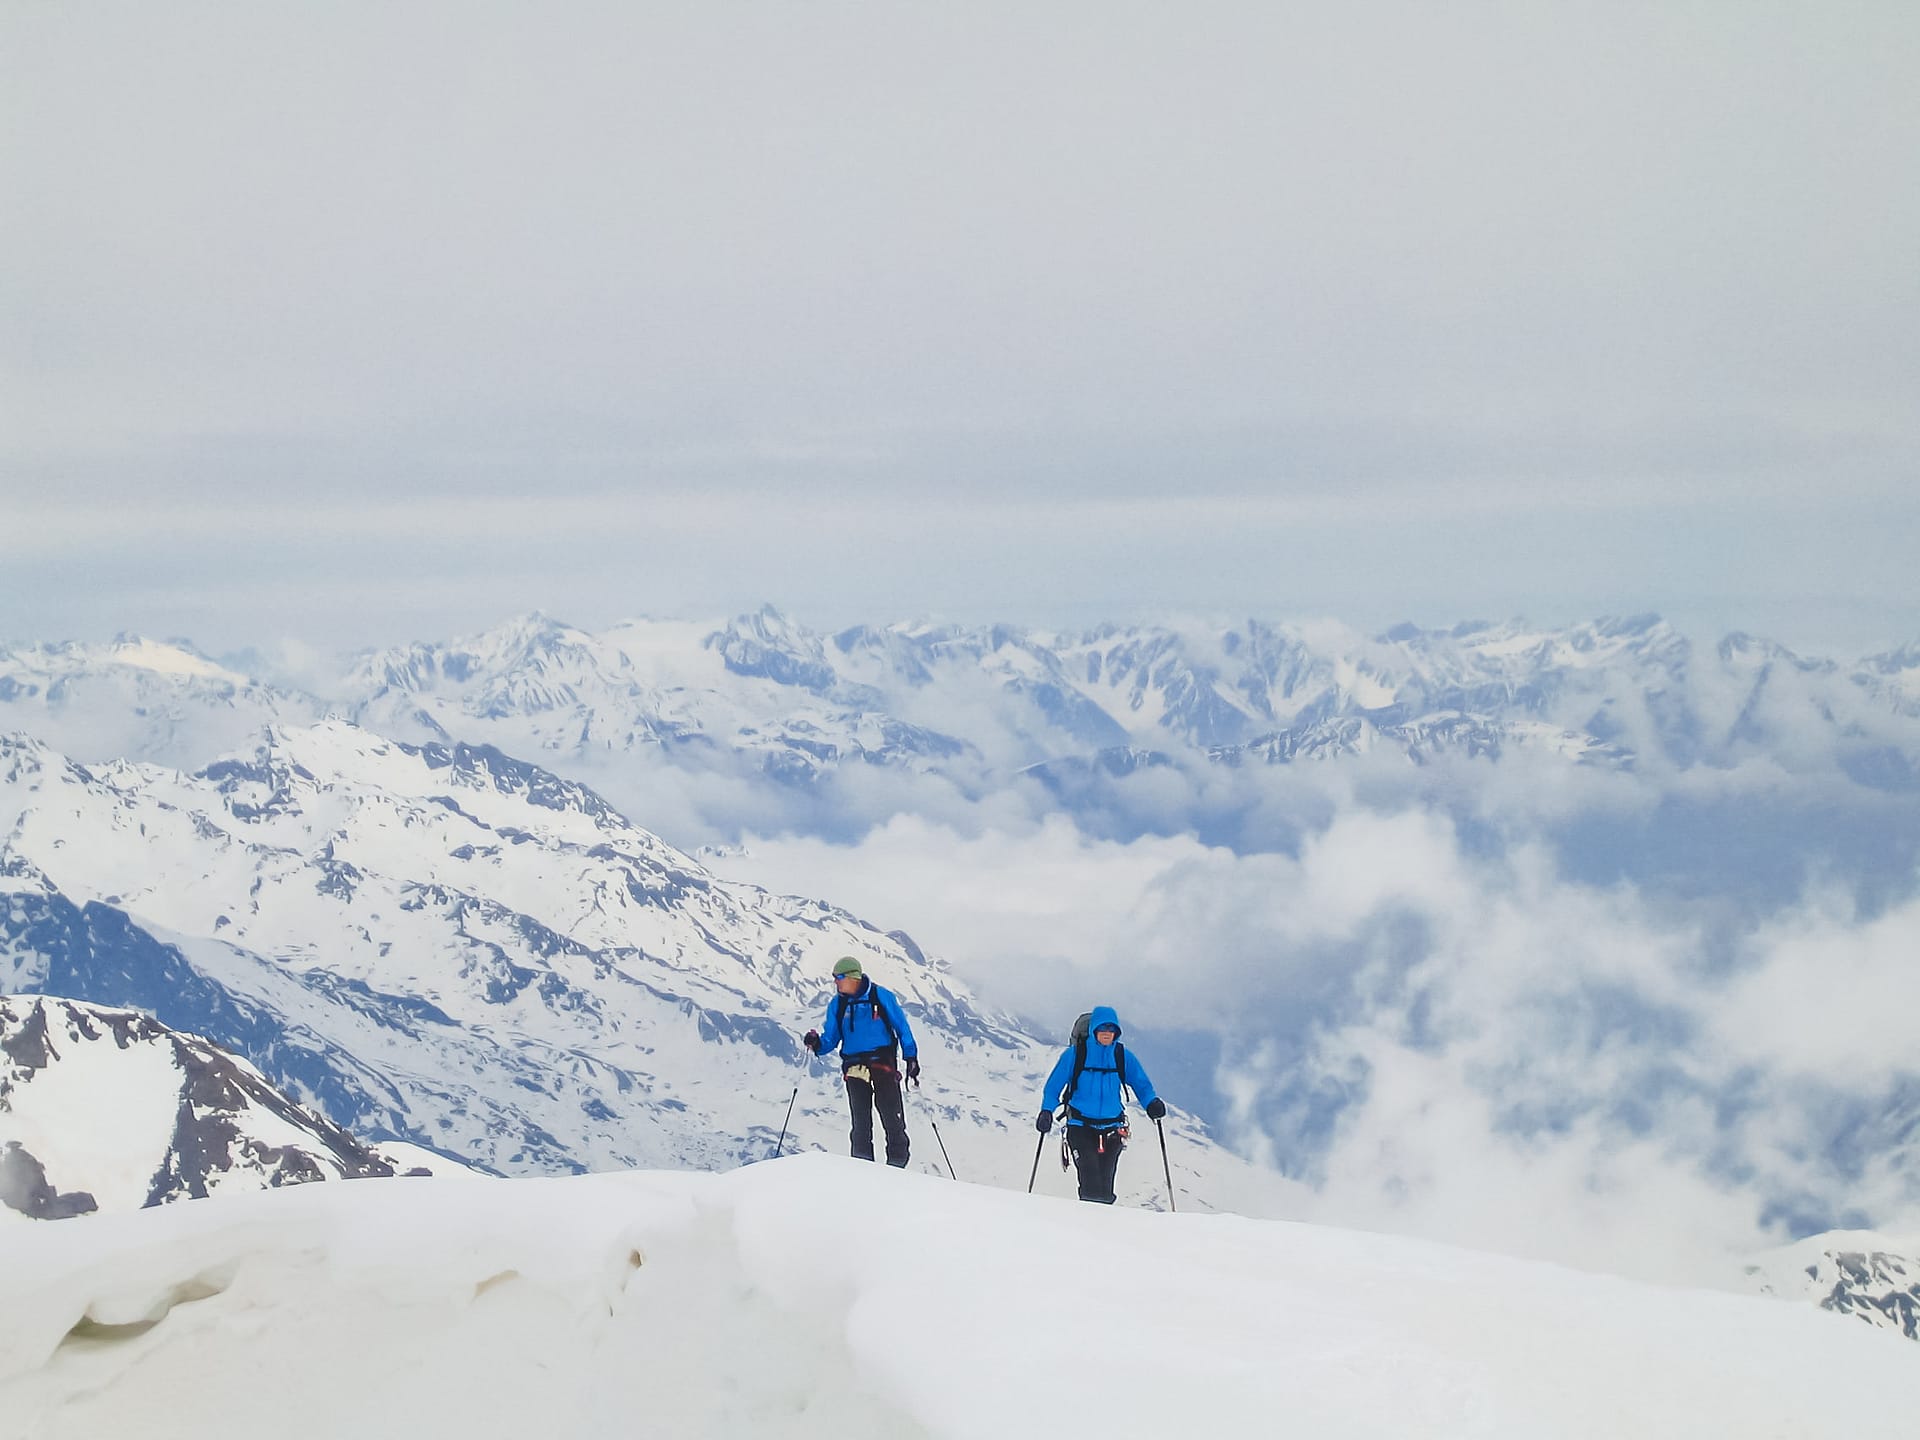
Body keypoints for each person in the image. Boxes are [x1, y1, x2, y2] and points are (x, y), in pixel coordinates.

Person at [1036, 1005, 1166, 1204]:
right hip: (1080, 1127)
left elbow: (1141, 1084)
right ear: (1093, 1029)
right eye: (1103, 1028)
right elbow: (1053, 1087)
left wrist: (1151, 1103)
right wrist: (1046, 1111)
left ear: (1117, 1032)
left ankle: (1101, 1230)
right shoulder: (1075, 1055)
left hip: (1112, 1129)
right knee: (1090, 1182)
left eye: (1111, 1029)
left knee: (1105, 1187)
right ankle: (1089, 1227)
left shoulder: (1122, 1056)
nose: (1107, 1033)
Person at [803, 956, 920, 1167]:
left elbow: (902, 1028)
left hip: (882, 1062)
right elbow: (831, 1037)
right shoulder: (837, 1004)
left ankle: (897, 1166)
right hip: (854, 1066)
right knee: (860, 1122)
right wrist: (817, 1043)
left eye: (838, 977)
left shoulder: (880, 996)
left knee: (892, 1118)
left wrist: (910, 1057)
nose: (835, 982)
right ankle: (862, 1169)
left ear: (853, 977)